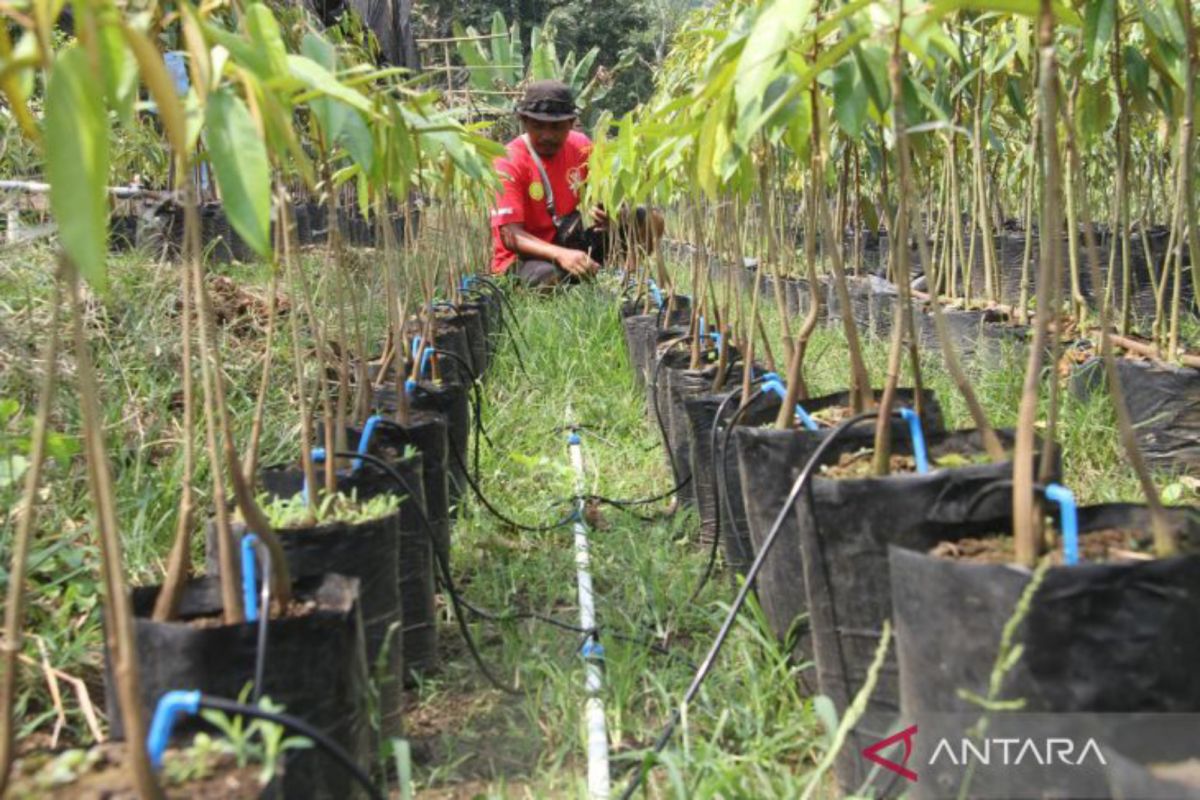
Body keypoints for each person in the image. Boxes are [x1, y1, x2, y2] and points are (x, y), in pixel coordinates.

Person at [489, 80, 608, 288]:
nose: (547, 136)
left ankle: (624, 282)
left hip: (568, 243)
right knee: (549, 278)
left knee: (647, 220)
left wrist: (608, 208)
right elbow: (510, 236)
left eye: (557, 127)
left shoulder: (582, 146)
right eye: (538, 126)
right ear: (524, 122)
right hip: (523, 258)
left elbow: (604, 192)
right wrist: (561, 255)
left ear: (571, 123)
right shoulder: (507, 161)